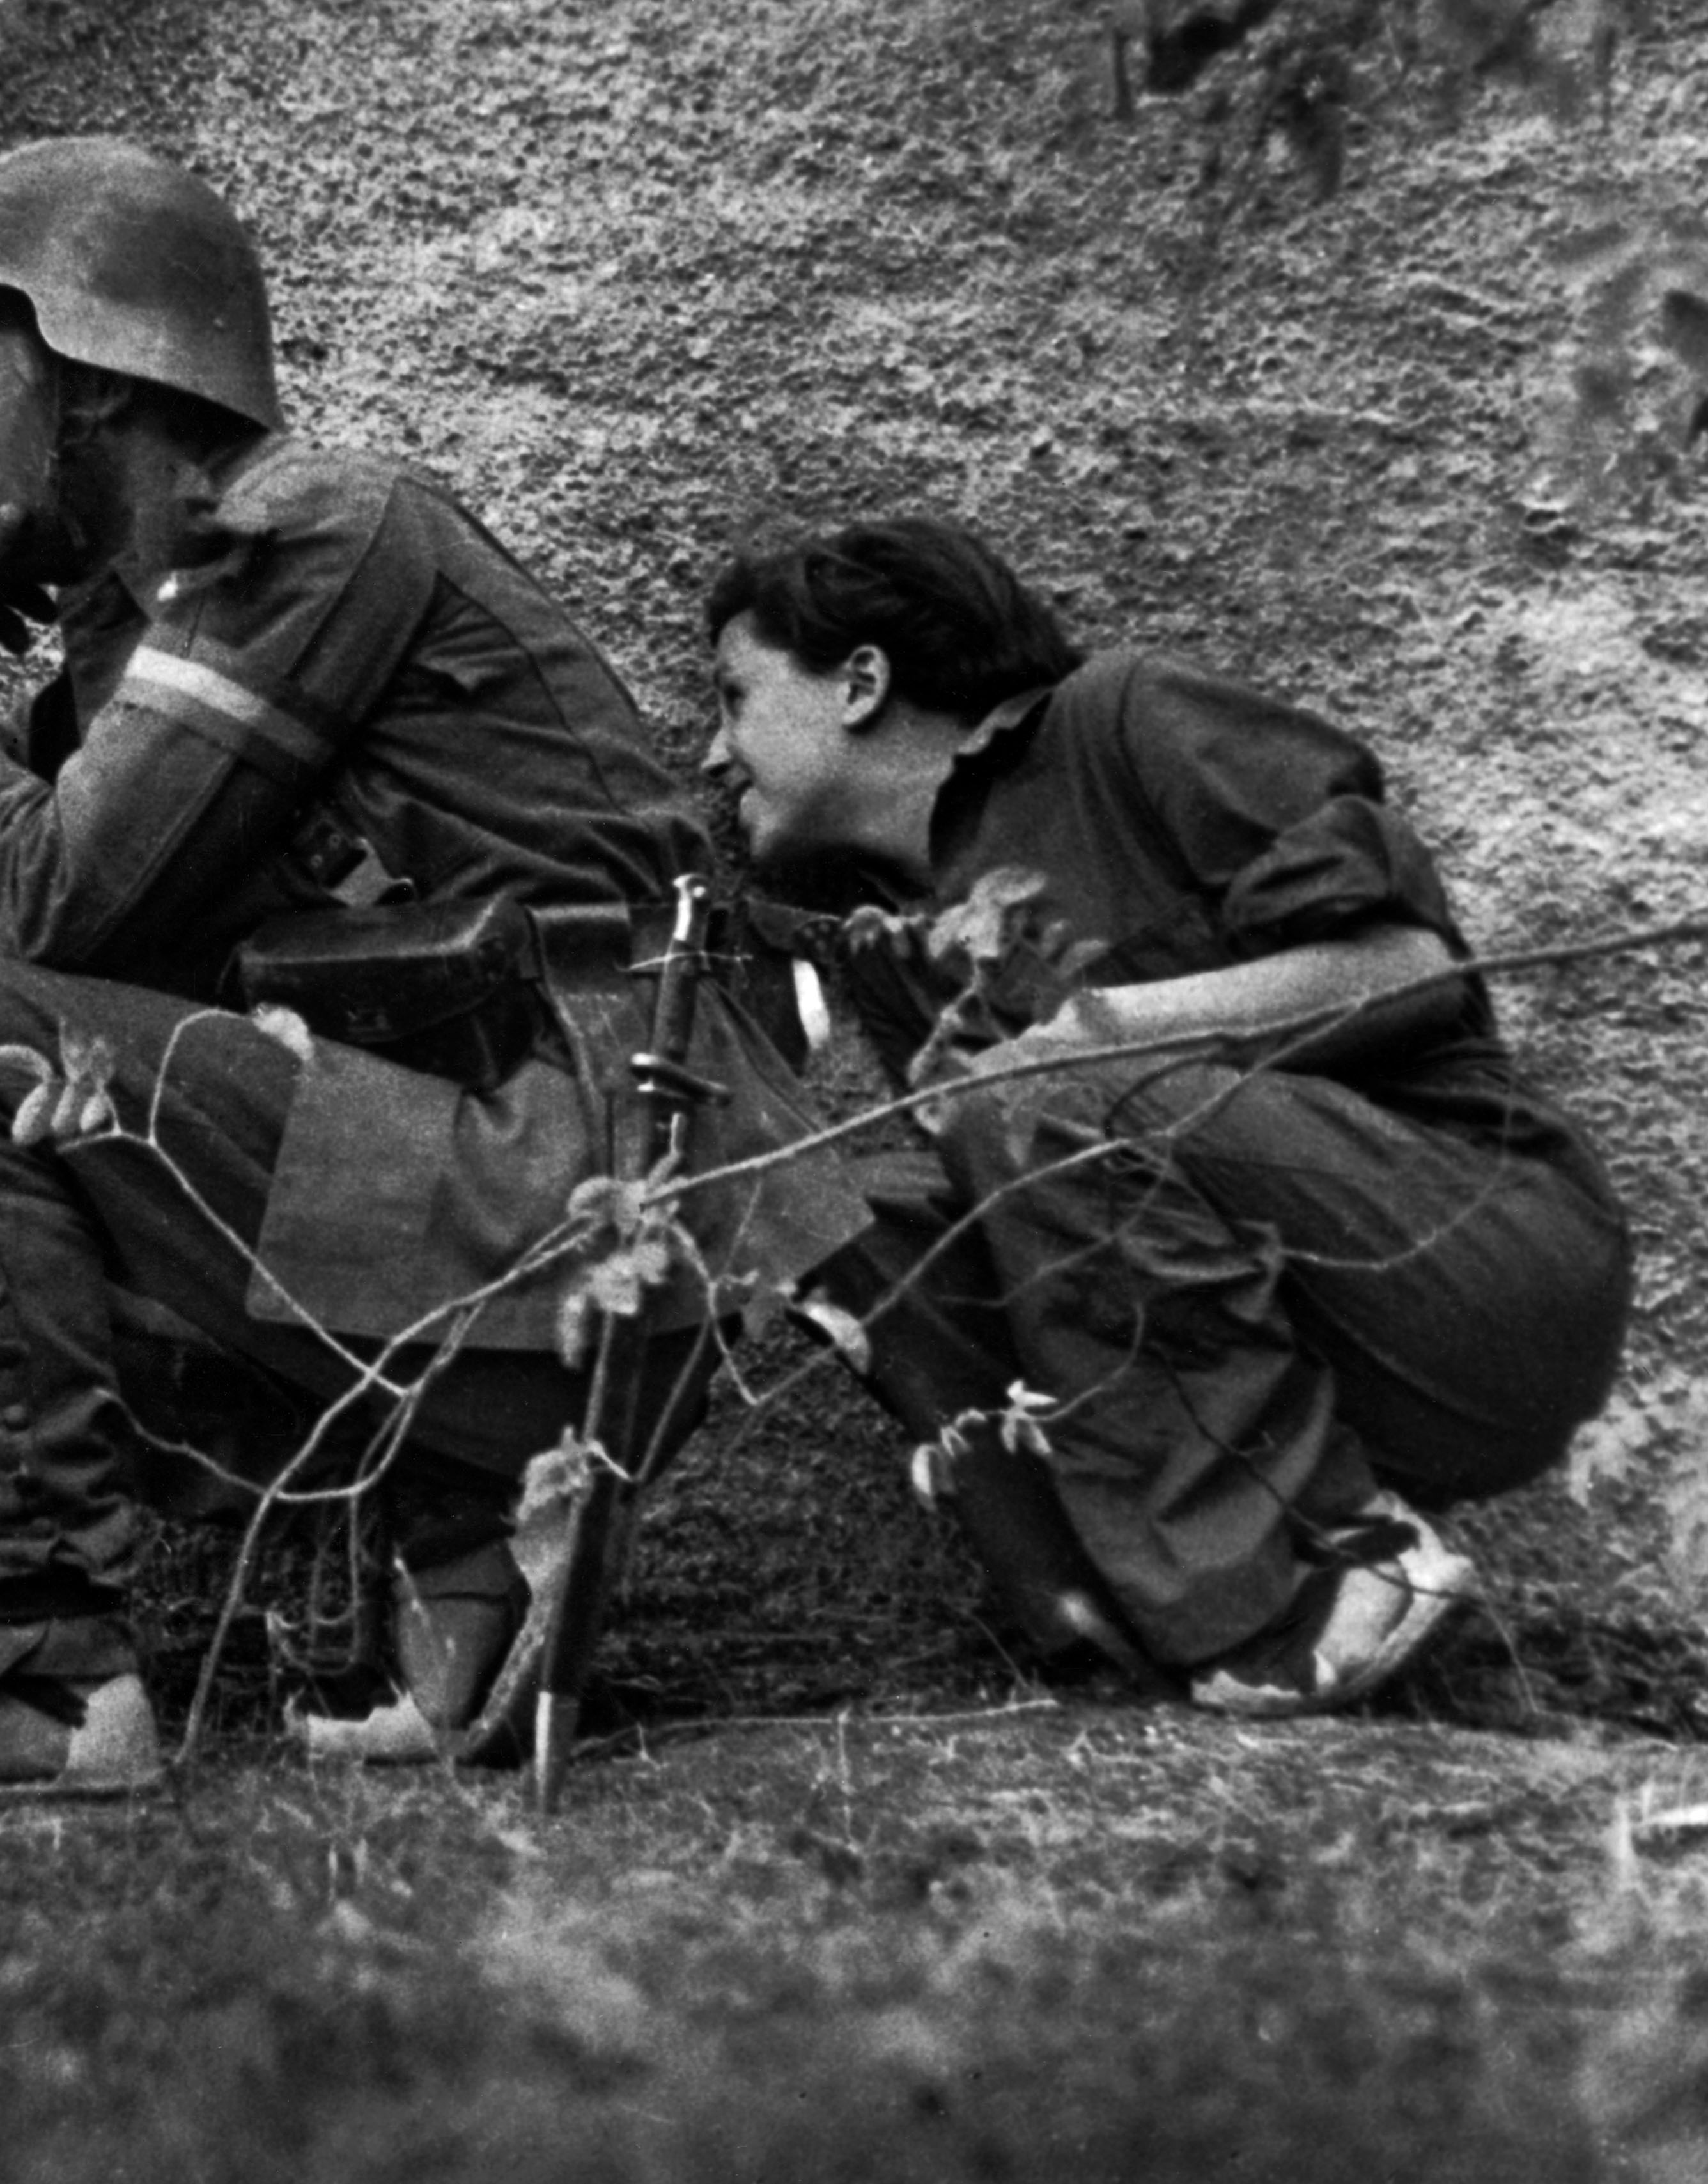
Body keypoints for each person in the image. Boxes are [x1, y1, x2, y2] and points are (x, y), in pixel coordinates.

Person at [0, 137, 864, 1799]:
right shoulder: (168, 623)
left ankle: (45, 1671)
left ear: (99, 371)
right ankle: (468, 1567)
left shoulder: (305, 531)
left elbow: (43, 896)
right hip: (513, 1200)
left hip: (602, 1154)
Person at [700, 515, 1634, 1717]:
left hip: (1475, 1262)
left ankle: (1317, 1584)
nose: (717, 756)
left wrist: (1078, 1043)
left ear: (862, 681)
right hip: (1291, 1335)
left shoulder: (1125, 718)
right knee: (827, 1206)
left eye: (735, 697)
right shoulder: (893, 942)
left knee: (1036, 1090)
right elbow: (1049, 1246)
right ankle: (1130, 1632)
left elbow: (1403, 967)